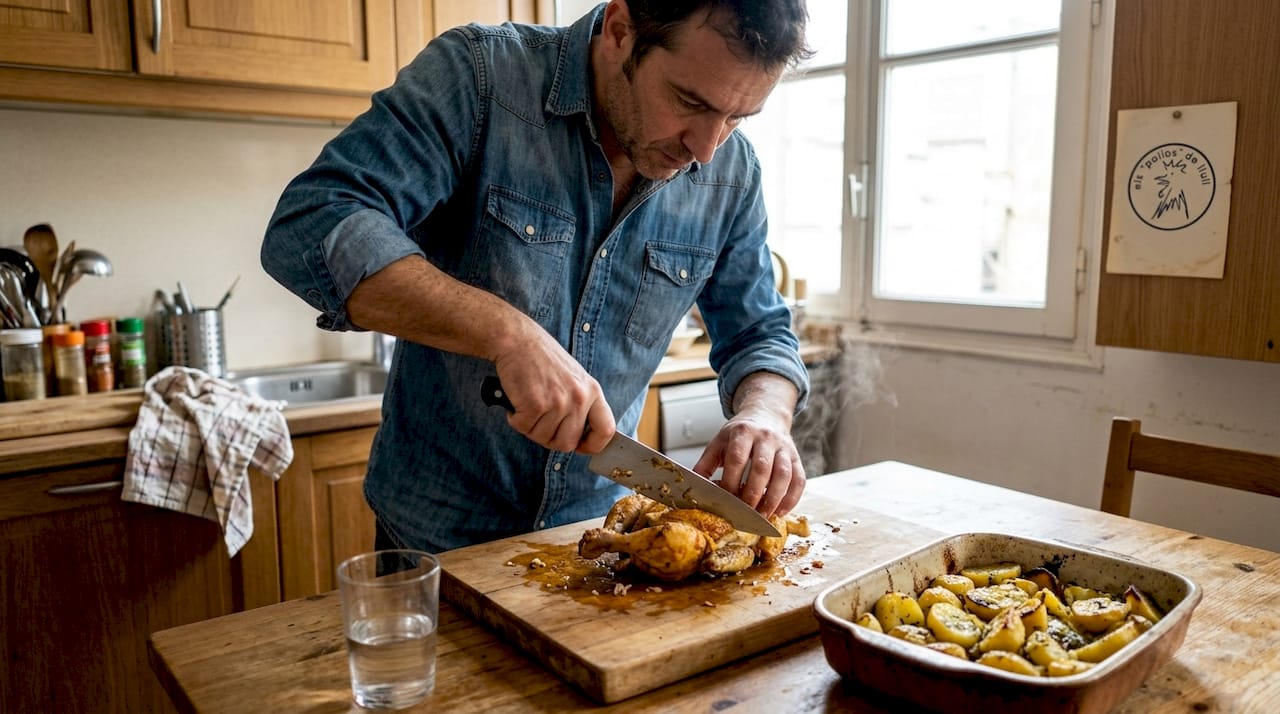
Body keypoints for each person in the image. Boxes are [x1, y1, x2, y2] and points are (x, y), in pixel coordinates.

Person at [261, 0, 814, 553]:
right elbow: (313, 221)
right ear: (621, 30)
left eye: (738, 117)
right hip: (434, 540)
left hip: (596, 541)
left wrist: (764, 413)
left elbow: (759, 332)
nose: (707, 149)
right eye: (688, 101)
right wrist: (508, 334)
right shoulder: (480, 78)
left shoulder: (732, 174)